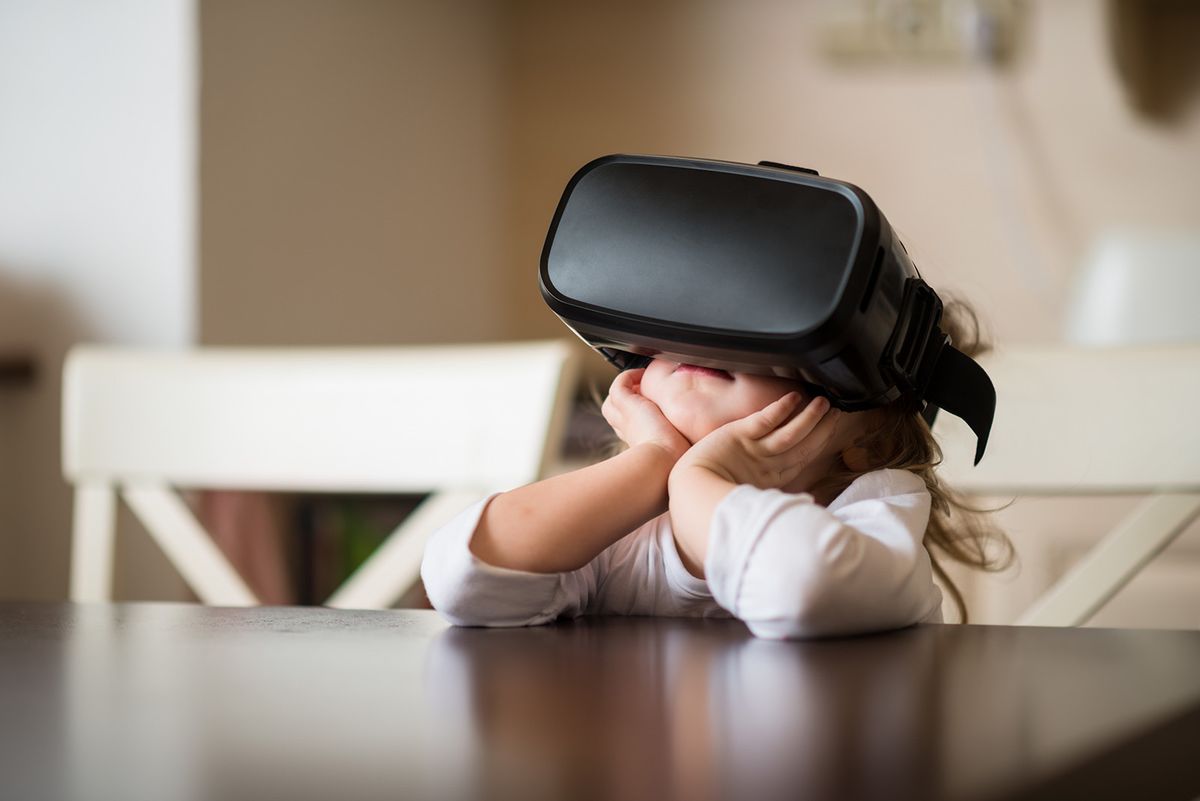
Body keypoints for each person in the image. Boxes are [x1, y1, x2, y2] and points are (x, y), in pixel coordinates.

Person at [420, 299, 1012, 639]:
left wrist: (697, 481)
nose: (708, 341)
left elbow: (802, 584)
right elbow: (463, 578)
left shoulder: (877, 517)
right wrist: (656, 465)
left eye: (776, 340)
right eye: (675, 331)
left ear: (869, 443)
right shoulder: (628, 526)